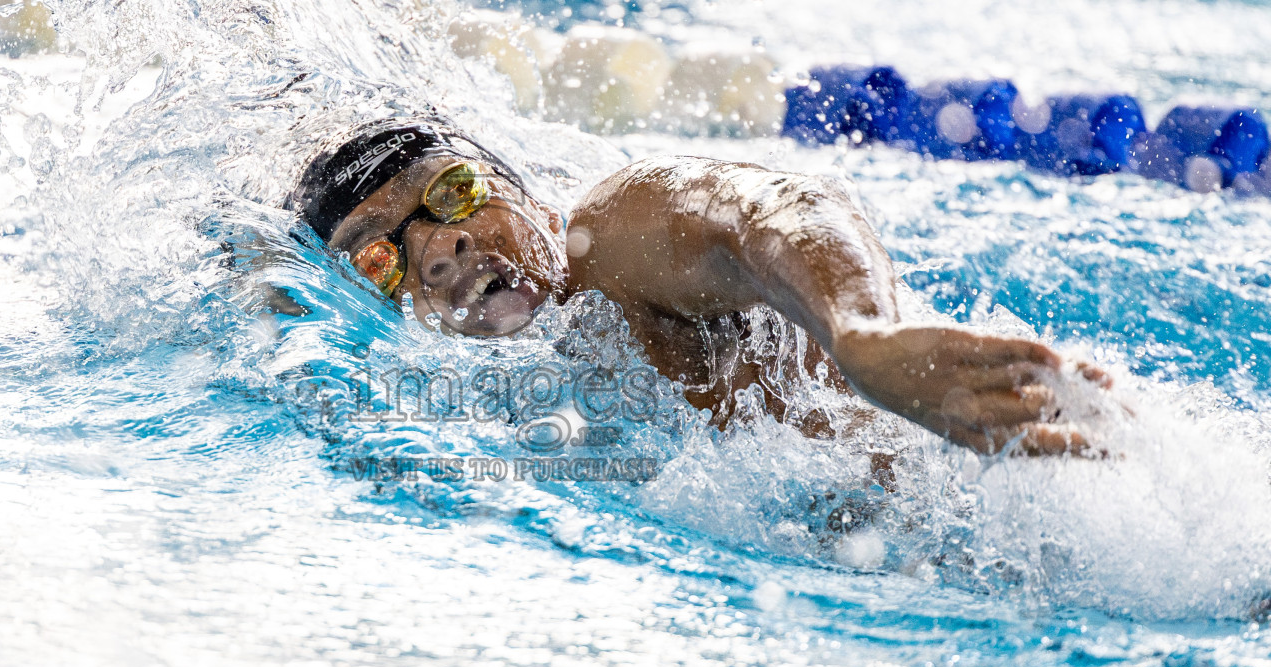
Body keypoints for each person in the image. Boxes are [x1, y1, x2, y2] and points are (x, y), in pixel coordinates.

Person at [285, 117, 1108, 456]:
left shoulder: (604, 241)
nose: (440, 248)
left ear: (529, 198)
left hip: (1013, 449)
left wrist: (864, 339)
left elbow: (776, 207)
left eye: (453, 194)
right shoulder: (480, 412)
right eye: (384, 258)